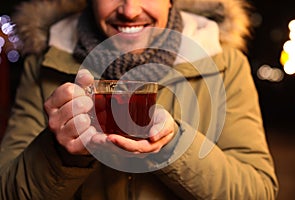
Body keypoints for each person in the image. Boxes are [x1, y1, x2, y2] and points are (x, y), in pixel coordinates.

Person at [0, 0, 279, 199]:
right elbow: (7, 190)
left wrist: (174, 146)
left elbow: (258, 190)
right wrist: (59, 154)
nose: (130, 10)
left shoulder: (226, 65)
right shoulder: (43, 64)